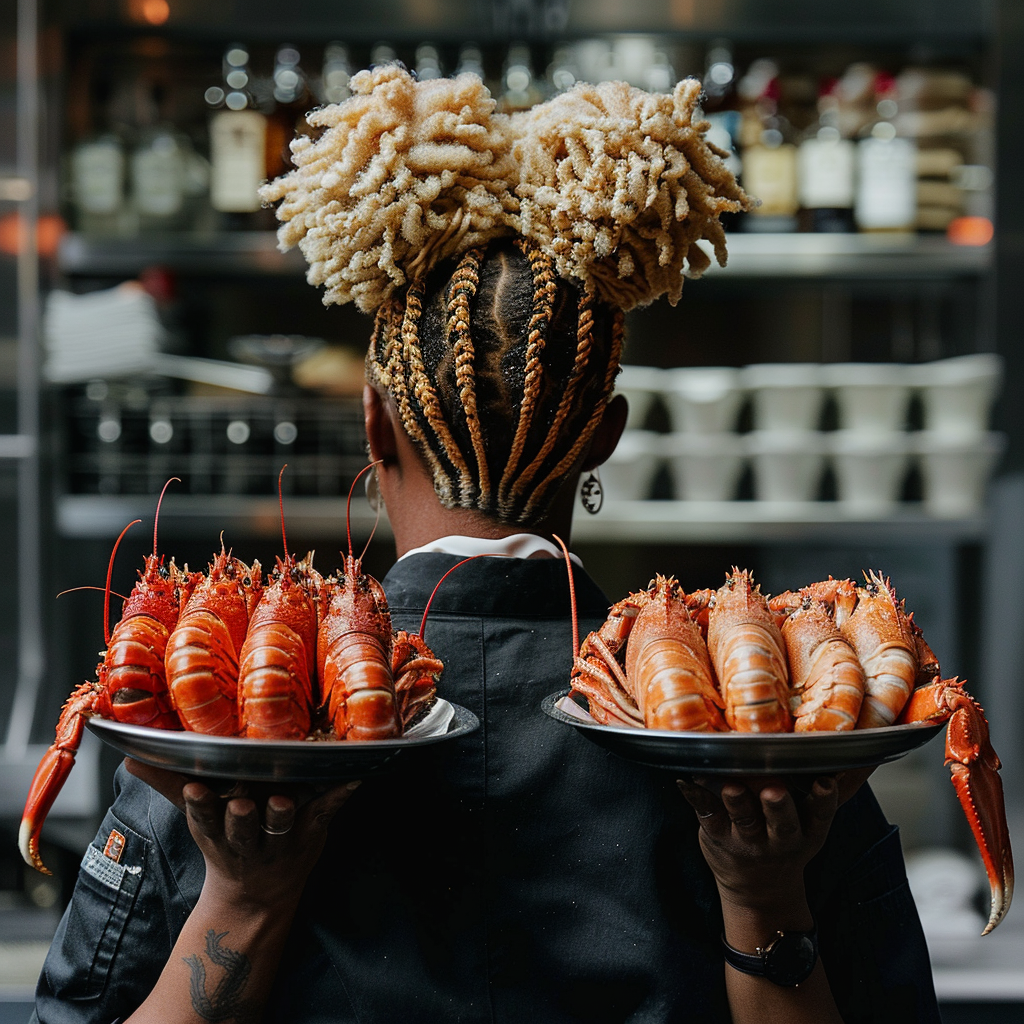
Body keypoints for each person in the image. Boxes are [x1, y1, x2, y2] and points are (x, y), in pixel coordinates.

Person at [31, 66, 940, 1024]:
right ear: (606, 434)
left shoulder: (201, 736)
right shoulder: (788, 757)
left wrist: (247, 894)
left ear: (375, 427)